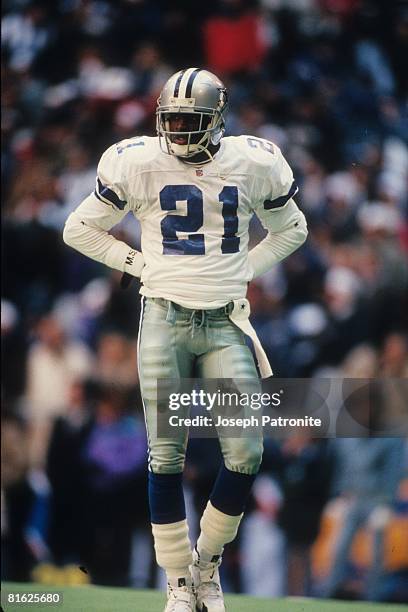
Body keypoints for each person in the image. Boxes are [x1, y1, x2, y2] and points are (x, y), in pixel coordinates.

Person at [63, 67, 308, 612]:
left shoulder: (252, 160)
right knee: (165, 454)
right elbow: (77, 227)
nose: (175, 130)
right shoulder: (137, 160)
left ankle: (207, 567)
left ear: (216, 120)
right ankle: (178, 583)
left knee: (246, 452)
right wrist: (135, 262)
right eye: (169, 119)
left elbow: (293, 228)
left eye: (187, 120)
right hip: (164, 318)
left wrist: (247, 267)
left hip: (224, 320)